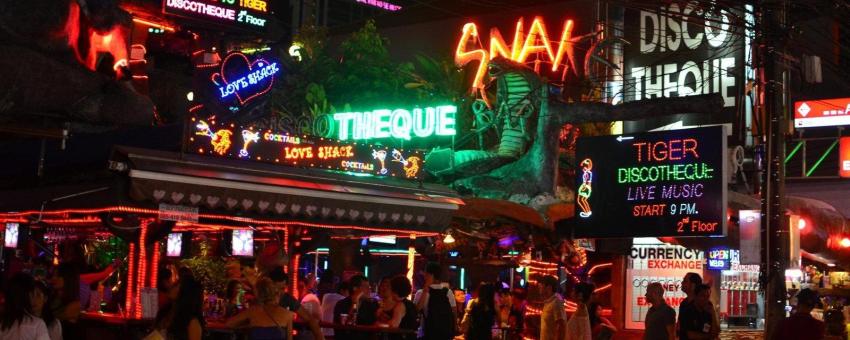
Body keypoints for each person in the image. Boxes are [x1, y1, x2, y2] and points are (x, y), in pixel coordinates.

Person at [266, 267, 325, 340]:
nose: (279, 293)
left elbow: (310, 319)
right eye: (276, 289)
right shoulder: (260, 300)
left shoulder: (287, 298)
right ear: (268, 287)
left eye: (282, 289)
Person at [227, 277, 294, 340]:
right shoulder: (288, 315)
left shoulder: (253, 311)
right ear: (275, 294)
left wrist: (249, 325)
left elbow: (229, 324)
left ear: (258, 294)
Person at [0, 273, 50, 340]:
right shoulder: (37, 325)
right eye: (33, 293)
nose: (34, 298)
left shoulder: (3, 324)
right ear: (27, 295)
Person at [413, 262, 457, 340]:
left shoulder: (421, 293)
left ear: (429, 275)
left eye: (425, 273)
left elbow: (415, 311)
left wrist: (425, 290)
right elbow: (454, 313)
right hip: (445, 334)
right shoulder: (448, 292)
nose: (424, 275)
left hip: (428, 333)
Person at [333, 275, 379, 340]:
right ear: (355, 288)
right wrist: (355, 302)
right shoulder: (341, 304)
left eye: (369, 287)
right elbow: (346, 326)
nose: (369, 289)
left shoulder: (371, 305)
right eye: (366, 287)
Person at [50, 263, 80, 339]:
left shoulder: (75, 304)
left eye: (57, 276)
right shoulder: (53, 297)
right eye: (53, 275)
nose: (53, 278)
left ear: (68, 279)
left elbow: (51, 318)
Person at [385, 276, 418, 340]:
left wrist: (381, 323)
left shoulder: (400, 306)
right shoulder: (410, 304)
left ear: (395, 290)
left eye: (391, 288)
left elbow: (393, 325)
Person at [538, 275, 566, 340]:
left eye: (541, 284)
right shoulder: (548, 302)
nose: (539, 286)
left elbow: (561, 326)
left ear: (549, 287)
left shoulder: (556, 302)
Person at [677, 272, 703, 340]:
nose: (682, 283)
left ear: (693, 285)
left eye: (685, 281)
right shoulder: (684, 303)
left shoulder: (702, 305)